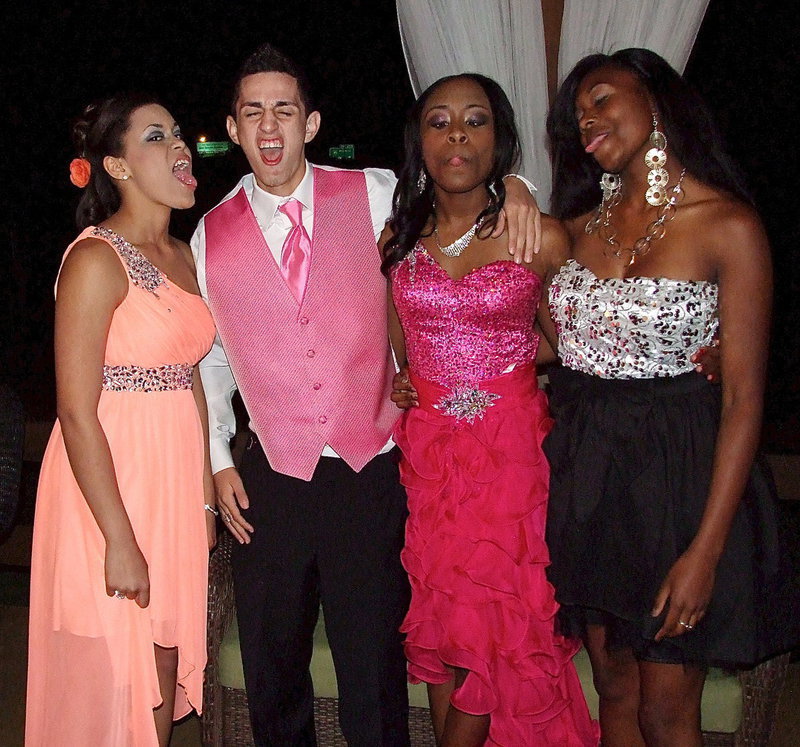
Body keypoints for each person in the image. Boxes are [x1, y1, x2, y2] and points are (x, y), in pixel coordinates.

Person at [192, 43, 542, 746]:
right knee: (273, 663)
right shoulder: (209, 235)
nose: (269, 126)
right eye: (253, 111)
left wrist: (521, 184)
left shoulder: (378, 192)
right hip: (273, 476)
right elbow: (211, 359)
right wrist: (218, 459)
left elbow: (460, 186)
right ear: (232, 129)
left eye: (284, 110)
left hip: (372, 465)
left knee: (374, 666)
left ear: (311, 123)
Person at [542, 48, 790, 746]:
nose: (586, 120)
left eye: (600, 99)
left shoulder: (728, 225)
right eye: (576, 116)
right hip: (588, 472)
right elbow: (549, 342)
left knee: (666, 708)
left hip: (678, 477)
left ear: (653, 96)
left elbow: (743, 396)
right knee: (614, 685)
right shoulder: (576, 227)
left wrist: (706, 551)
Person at [382, 73, 599, 747]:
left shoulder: (540, 236)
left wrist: (498, 371)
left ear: (500, 140)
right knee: (447, 626)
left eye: (474, 121)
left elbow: (578, 345)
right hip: (430, 456)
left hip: (509, 460)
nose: (456, 136)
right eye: (439, 121)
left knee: (493, 629)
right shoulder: (398, 238)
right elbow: (403, 350)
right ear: (420, 141)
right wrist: (404, 382)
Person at [26, 94, 216, 746]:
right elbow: (75, 410)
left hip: (172, 489)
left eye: (179, 133)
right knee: (111, 670)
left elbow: (190, 373)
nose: (180, 146)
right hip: (108, 483)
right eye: (157, 136)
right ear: (118, 165)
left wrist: (206, 498)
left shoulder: (183, 255)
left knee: (160, 661)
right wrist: (118, 536)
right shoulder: (94, 258)